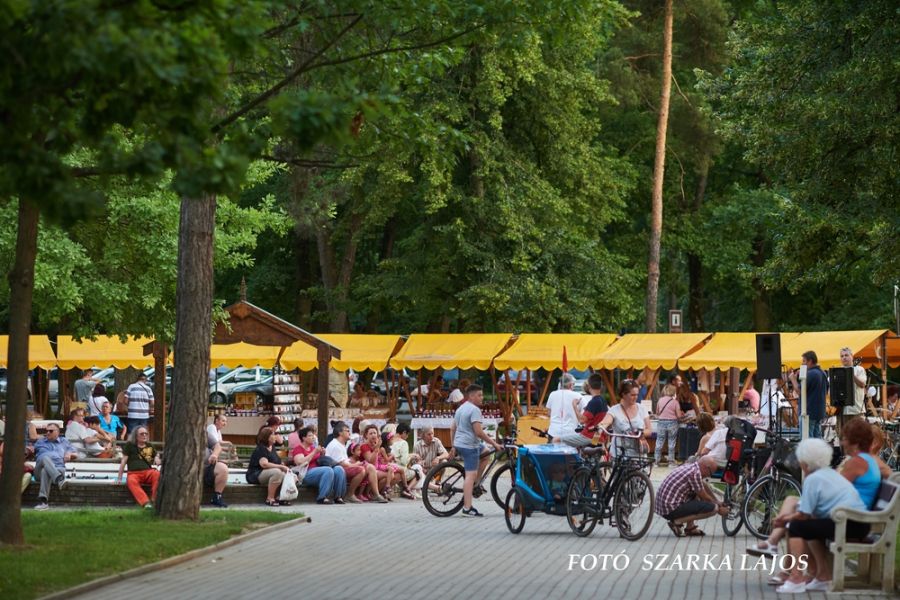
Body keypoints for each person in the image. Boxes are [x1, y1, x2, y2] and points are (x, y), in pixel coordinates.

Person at [748, 419, 889, 563]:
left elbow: (834, 487)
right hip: (850, 513)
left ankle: (793, 571)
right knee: (793, 502)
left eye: (845, 439)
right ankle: (776, 549)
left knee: (797, 524)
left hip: (850, 517)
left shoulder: (858, 462)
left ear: (855, 441)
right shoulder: (864, 460)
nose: (842, 443)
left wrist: (786, 518)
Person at [773, 438, 869, 593]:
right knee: (810, 526)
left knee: (796, 527)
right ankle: (822, 577)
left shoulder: (813, 479)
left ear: (805, 462)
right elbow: (809, 513)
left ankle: (796, 578)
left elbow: (803, 515)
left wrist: (784, 519)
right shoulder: (829, 473)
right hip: (859, 523)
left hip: (849, 524)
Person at [450, 384, 503, 517]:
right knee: (470, 476)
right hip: (469, 446)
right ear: (471, 396)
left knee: (485, 454)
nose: (482, 398)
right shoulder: (474, 410)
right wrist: (495, 444)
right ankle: (467, 508)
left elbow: (452, 428)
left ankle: (476, 483)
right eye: (479, 395)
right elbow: (478, 432)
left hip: (461, 443)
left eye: (482, 395)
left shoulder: (461, 408)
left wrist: (453, 446)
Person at [655, 455, 729, 537]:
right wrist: (719, 508)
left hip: (664, 506)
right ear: (706, 467)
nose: (709, 476)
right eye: (710, 473)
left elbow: (702, 485)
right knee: (713, 508)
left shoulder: (691, 467)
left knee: (696, 495)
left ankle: (690, 528)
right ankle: (677, 522)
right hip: (669, 509)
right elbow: (705, 497)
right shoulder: (695, 473)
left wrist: (717, 500)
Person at [292, 426, 347, 504]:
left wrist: (322, 454)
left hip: (318, 471)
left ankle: (338, 497)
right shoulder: (298, 449)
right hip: (305, 473)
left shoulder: (312, 447)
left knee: (339, 469)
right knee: (328, 470)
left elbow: (319, 460)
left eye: (313, 435)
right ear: (303, 438)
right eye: (310, 436)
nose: (313, 437)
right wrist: (314, 452)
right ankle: (322, 497)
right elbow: (300, 462)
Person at [599, 379, 651, 458]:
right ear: (623, 394)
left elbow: (649, 430)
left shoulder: (642, 408)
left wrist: (641, 433)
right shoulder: (614, 410)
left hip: (638, 453)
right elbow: (606, 422)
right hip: (619, 453)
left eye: (637, 394)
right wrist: (601, 426)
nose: (636, 397)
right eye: (632, 395)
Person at [325, 422, 375, 503]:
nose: (349, 432)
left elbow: (344, 460)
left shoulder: (341, 444)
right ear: (340, 433)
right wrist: (355, 464)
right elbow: (340, 463)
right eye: (347, 431)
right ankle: (350, 494)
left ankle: (365, 494)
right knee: (361, 469)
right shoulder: (335, 445)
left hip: (342, 468)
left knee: (367, 467)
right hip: (336, 470)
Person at [32, 424, 77, 510]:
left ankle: (43, 502)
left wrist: (69, 453)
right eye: (47, 431)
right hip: (39, 469)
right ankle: (59, 479)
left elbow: (76, 453)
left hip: (58, 468)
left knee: (46, 471)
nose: (48, 433)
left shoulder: (64, 441)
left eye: (51, 431)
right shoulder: (40, 442)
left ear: (58, 432)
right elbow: (31, 449)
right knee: (45, 458)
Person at [556, 373, 607, 448]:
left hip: (589, 436)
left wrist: (574, 406)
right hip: (598, 436)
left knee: (556, 439)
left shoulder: (594, 402)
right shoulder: (603, 400)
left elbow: (582, 420)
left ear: (589, 386)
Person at [246, 427, 292, 507]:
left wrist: (285, 468)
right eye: (273, 434)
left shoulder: (272, 448)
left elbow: (277, 461)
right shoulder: (261, 448)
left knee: (288, 475)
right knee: (277, 472)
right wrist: (280, 467)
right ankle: (270, 499)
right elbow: (264, 464)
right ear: (267, 437)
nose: (276, 436)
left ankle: (280, 498)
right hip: (255, 474)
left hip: (267, 473)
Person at [117, 426, 161, 508]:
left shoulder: (149, 445)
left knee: (157, 475)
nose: (144, 435)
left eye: (146, 433)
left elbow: (156, 454)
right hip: (134, 473)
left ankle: (155, 500)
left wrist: (156, 457)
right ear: (136, 436)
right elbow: (123, 461)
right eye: (142, 434)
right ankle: (146, 503)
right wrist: (119, 478)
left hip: (148, 472)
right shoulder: (130, 445)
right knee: (131, 481)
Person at [789, 350, 827, 438]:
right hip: (819, 412)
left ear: (810, 361)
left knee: (807, 440)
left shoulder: (810, 374)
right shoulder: (823, 373)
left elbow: (799, 391)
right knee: (817, 440)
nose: (802, 364)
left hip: (808, 412)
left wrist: (793, 379)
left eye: (804, 361)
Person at [837, 347, 866, 436]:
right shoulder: (838, 371)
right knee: (844, 437)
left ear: (852, 356)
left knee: (858, 436)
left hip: (856, 410)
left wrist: (851, 374)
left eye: (846, 355)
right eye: (842, 356)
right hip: (842, 411)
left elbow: (862, 384)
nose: (844, 358)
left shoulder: (860, 369)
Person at [654, 383, 684, 466]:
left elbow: (657, 412)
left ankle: (656, 461)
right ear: (673, 392)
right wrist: (681, 415)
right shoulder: (675, 402)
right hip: (672, 423)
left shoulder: (660, 400)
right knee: (671, 442)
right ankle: (671, 461)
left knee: (659, 441)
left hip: (661, 422)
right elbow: (678, 416)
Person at [391, 423, 424, 495]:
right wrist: (412, 456)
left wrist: (410, 455)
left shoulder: (390, 440)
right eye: (407, 434)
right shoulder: (403, 443)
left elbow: (397, 455)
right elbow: (404, 461)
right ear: (404, 432)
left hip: (390, 467)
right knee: (419, 473)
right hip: (400, 470)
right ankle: (408, 489)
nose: (407, 436)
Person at [546, 373, 582, 439]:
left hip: (554, 432)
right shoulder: (578, 396)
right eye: (573, 384)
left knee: (553, 449)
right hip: (571, 433)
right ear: (570, 385)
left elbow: (548, 413)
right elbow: (584, 414)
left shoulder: (552, 394)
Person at [205, 414, 229, 507]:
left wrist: (214, 454)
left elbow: (217, 445)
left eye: (226, 421)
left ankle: (217, 496)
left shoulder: (205, 433)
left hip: (207, 465)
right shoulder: (211, 428)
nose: (225, 423)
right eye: (223, 421)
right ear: (216, 421)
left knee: (223, 468)